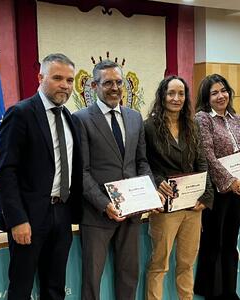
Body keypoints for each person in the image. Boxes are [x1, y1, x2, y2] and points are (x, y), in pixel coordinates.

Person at [0, 53, 83, 300]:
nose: (65, 85)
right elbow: (6, 171)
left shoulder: (70, 118)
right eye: (57, 78)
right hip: (29, 218)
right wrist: (17, 220)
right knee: (21, 290)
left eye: (69, 80)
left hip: (61, 214)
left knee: (55, 289)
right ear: (40, 77)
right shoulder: (20, 113)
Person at [74, 60, 153, 300]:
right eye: (108, 82)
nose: (115, 87)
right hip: (97, 214)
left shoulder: (134, 117)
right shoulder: (81, 119)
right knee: (92, 278)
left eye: (119, 82)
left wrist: (148, 191)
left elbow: (142, 162)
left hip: (131, 214)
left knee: (129, 274)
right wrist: (104, 204)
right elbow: (82, 172)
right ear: (94, 85)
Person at [144, 76, 214, 300]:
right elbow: (143, 163)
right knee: (159, 264)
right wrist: (156, 181)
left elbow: (202, 162)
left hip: (193, 207)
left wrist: (207, 195)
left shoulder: (192, 125)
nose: (176, 98)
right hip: (166, 207)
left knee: (186, 263)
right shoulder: (150, 127)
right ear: (162, 95)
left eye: (181, 94)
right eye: (171, 93)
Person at [193, 74, 240, 300]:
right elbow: (207, 155)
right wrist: (230, 181)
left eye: (223, 90)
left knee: (230, 242)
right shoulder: (202, 118)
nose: (221, 96)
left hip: (238, 190)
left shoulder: (236, 118)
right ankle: (213, 293)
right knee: (213, 244)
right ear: (207, 97)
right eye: (214, 92)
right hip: (217, 191)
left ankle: (230, 291)